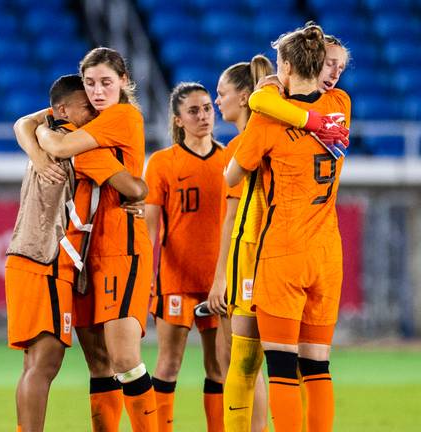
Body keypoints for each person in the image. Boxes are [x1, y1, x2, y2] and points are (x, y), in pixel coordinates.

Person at [210, 34, 350, 432]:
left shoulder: (267, 121)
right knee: (318, 366)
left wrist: (268, 94)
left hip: (281, 253)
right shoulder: (340, 107)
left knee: (283, 367)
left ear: (286, 68)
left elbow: (231, 175)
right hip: (327, 254)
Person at [9, 74, 148, 432]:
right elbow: (136, 186)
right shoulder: (76, 145)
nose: (96, 110)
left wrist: (39, 132)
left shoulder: (52, 137)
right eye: (87, 105)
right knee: (44, 362)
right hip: (47, 260)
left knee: (37, 364)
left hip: (33, 257)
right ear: (62, 109)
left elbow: (26, 123)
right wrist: (138, 197)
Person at [142, 82, 225, 432]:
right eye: (194, 110)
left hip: (218, 283)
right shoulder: (162, 163)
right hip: (176, 280)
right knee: (169, 364)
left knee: (219, 366)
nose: (203, 116)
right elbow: (149, 227)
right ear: (178, 119)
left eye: (207, 108)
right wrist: (146, 273)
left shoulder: (231, 160)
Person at [210, 56, 275, 432]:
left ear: (246, 95)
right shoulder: (272, 132)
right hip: (268, 252)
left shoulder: (245, 143)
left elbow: (234, 217)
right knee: (254, 360)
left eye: (222, 94)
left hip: (249, 255)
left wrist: (220, 278)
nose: (219, 102)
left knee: (244, 359)